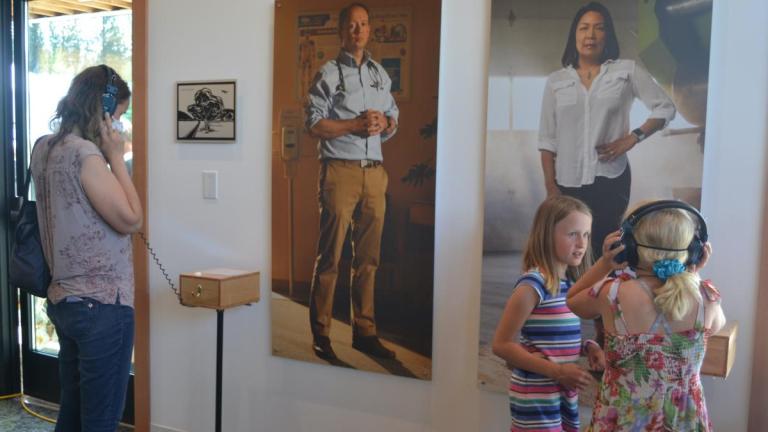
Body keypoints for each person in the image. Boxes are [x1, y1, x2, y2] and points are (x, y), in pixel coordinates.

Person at [31, 64, 142, 431]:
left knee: (73, 412)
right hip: (102, 304)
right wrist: (115, 155)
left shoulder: (44, 148)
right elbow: (131, 219)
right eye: (118, 116)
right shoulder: (86, 155)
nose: (118, 126)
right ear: (103, 108)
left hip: (66, 300)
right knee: (100, 418)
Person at [566, 201, 725, 431]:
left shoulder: (611, 294)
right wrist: (692, 274)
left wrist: (604, 264)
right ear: (693, 251)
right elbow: (715, 328)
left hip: (623, 421)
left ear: (628, 246)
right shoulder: (707, 299)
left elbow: (572, 300)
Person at [538, 2, 676, 258]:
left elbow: (665, 108)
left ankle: (602, 297)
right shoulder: (556, 82)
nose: (590, 35)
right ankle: (573, 299)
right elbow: (547, 140)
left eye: (599, 28)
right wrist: (550, 186)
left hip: (611, 178)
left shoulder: (626, 71)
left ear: (608, 35)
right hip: (567, 181)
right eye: (584, 28)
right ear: (574, 35)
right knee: (570, 253)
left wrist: (633, 137)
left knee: (605, 249)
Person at [304, 2, 399, 360]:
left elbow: (393, 117)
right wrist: (353, 125)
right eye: (352, 26)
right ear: (341, 32)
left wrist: (383, 124)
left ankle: (365, 331)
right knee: (330, 257)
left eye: (364, 24)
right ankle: (322, 333)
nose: (359, 31)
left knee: (369, 259)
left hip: (375, 173)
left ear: (370, 29)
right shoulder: (328, 73)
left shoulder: (379, 74)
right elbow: (314, 124)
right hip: (339, 172)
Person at [492, 196, 605, 432]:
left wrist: (589, 347)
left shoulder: (569, 286)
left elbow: (554, 336)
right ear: (546, 234)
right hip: (535, 396)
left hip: (561, 392)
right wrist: (558, 371)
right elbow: (501, 345)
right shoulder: (533, 284)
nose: (581, 243)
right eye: (573, 234)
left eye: (586, 235)